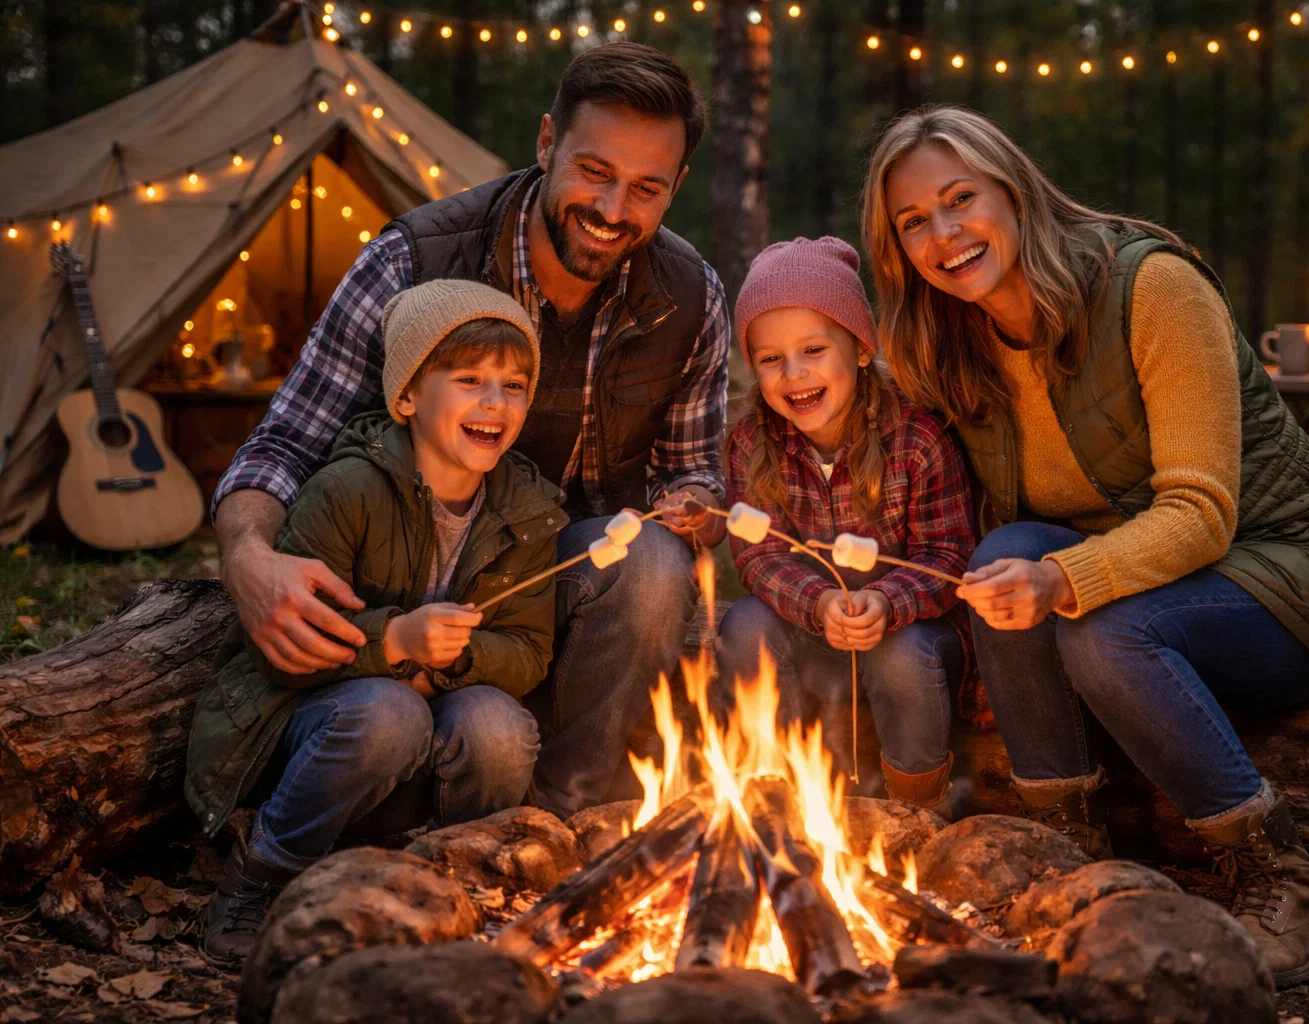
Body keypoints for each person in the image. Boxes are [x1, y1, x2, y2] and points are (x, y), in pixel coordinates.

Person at [862, 105, 1309, 987]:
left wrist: (1062, 579)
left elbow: (1201, 513)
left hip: (1293, 571)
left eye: (961, 199)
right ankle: (1064, 857)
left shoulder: (1150, 287)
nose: (943, 234)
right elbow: (979, 523)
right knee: (1004, 551)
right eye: (913, 221)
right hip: (1148, 578)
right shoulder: (952, 341)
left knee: (1098, 628)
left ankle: (1287, 882)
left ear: (1016, 190)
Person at [209, 42, 729, 822]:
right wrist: (246, 555)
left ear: (676, 189)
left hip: (558, 586)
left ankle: (570, 820)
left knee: (653, 559)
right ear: (548, 141)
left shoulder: (688, 297)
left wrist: (694, 501)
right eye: (594, 171)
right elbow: (287, 439)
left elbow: (695, 471)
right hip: (405, 578)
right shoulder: (414, 262)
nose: (615, 210)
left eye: (646, 188)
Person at [188, 281, 562, 961]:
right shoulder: (348, 489)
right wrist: (394, 640)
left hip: (434, 737)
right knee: (389, 711)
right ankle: (262, 874)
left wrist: (453, 657)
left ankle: (452, 882)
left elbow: (529, 651)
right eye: (470, 378)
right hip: (317, 733)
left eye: (514, 385)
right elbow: (280, 650)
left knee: (499, 727)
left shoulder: (526, 509)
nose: (494, 402)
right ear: (408, 397)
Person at [715, 237, 973, 809]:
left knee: (899, 655)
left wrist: (885, 601)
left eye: (812, 350)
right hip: (811, 628)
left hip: (912, 636)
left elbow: (949, 555)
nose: (794, 374)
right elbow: (758, 556)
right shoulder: (751, 442)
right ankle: (778, 796)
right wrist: (819, 604)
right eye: (770, 359)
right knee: (745, 625)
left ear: (859, 347)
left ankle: (916, 808)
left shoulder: (917, 436)